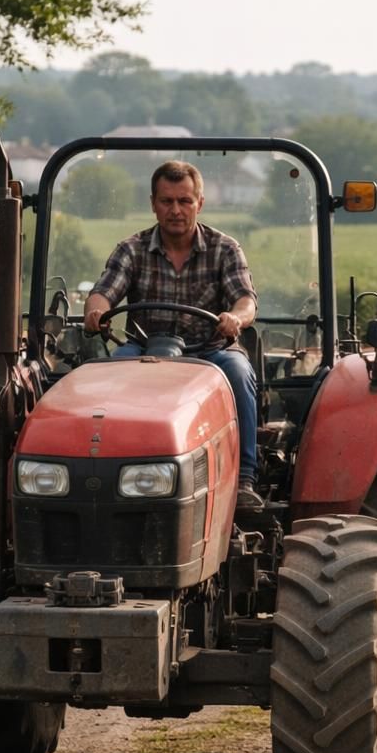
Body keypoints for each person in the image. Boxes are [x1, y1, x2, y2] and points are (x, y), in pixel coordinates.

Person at [84, 160, 262, 509]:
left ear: (200, 203)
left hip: (208, 351)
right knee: (108, 373)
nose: (176, 210)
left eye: (185, 201)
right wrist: (97, 311)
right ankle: (108, 469)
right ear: (153, 203)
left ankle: (244, 477)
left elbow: (245, 300)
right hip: (145, 350)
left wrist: (235, 318)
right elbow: (104, 291)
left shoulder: (224, 248)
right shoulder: (131, 250)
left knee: (239, 373)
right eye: (167, 201)